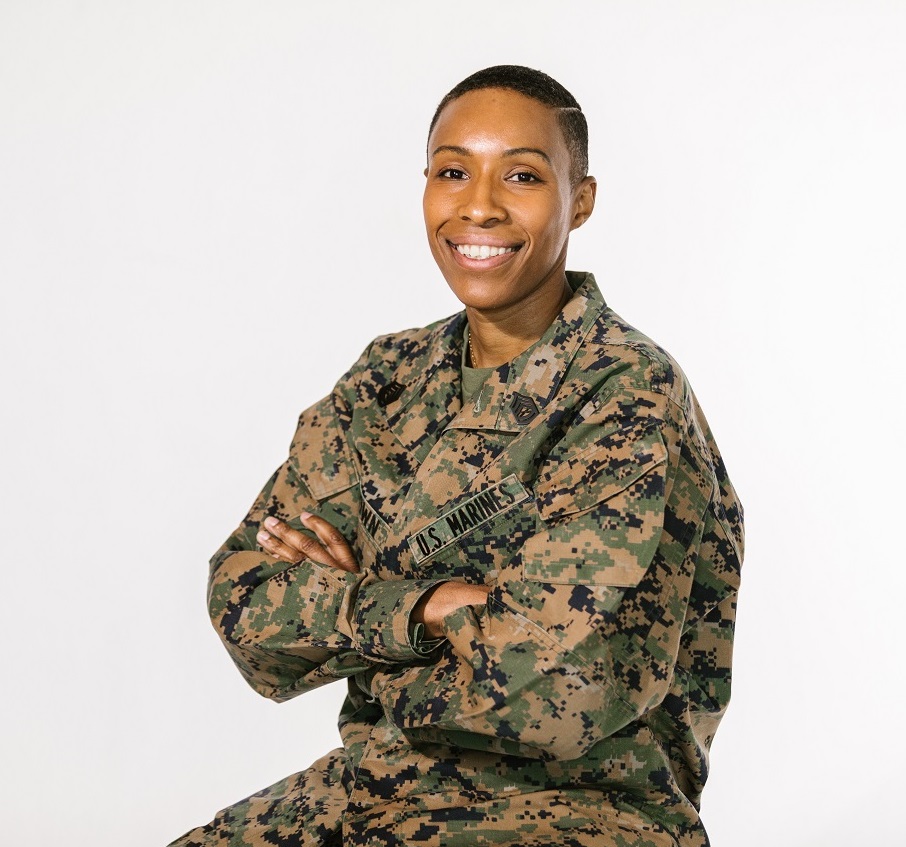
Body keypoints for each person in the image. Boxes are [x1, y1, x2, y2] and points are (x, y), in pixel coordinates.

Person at [169, 65, 744, 847]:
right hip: (375, 784)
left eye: (522, 174)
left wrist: (353, 610)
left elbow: (557, 692)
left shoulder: (626, 393)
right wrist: (430, 606)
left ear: (581, 199)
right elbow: (245, 604)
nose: (479, 203)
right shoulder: (386, 380)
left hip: (578, 810)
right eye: (451, 171)